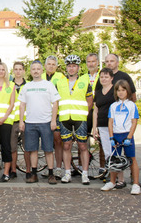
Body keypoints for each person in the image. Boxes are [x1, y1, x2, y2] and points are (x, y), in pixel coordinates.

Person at [18, 60, 60, 185]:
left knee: (48, 149)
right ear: (30, 72)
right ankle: (34, 174)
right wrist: (22, 121)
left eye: (38, 69)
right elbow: (22, 105)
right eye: (33, 69)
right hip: (30, 122)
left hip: (46, 122)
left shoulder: (49, 85)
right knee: (33, 150)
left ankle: (51, 174)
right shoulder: (26, 87)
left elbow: (55, 103)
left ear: (42, 70)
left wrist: (53, 120)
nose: (36, 71)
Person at [57, 54, 93, 185]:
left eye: (74, 66)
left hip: (80, 118)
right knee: (66, 145)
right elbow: (55, 101)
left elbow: (90, 101)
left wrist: (85, 114)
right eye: (69, 66)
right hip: (65, 117)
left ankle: (85, 174)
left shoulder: (85, 81)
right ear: (66, 68)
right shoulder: (60, 82)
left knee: (83, 146)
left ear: (78, 67)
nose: (71, 69)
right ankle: (67, 173)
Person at [101, 80, 141, 195]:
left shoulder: (131, 105)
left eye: (123, 90)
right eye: (118, 90)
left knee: (131, 159)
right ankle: (113, 182)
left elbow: (134, 122)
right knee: (114, 160)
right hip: (116, 135)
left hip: (126, 135)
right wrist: (111, 137)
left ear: (127, 91)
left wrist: (129, 137)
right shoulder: (113, 106)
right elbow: (110, 122)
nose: (121, 93)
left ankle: (136, 184)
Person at [42, 55, 66, 177]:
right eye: (49, 64)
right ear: (45, 65)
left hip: (55, 114)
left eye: (53, 64)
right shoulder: (39, 76)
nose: (51, 66)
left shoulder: (61, 77)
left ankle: (58, 168)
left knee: (57, 141)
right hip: (42, 114)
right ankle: (48, 167)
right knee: (47, 142)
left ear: (56, 66)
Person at [92, 68, 116, 175]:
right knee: (107, 150)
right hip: (102, 125)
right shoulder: (97, 93)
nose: (104, 79)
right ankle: (110, 172)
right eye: (101, 77)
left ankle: (116, 173)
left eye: (106, 77)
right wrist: (94, 127)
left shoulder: (115, 91)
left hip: (115, 126)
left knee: (116, 150)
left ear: (111, 78)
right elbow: (95, 111)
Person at [10, 61, 28, 179]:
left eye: (20, 69)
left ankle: (28, 170)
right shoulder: (8, 85)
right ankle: (13, 170)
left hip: (27, 120)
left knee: (28, 147)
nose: (18, 71)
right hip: (12, 120)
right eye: (15, 69)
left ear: (23, 71)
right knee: (12, 147)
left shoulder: (29, 86)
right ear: (13, 71)